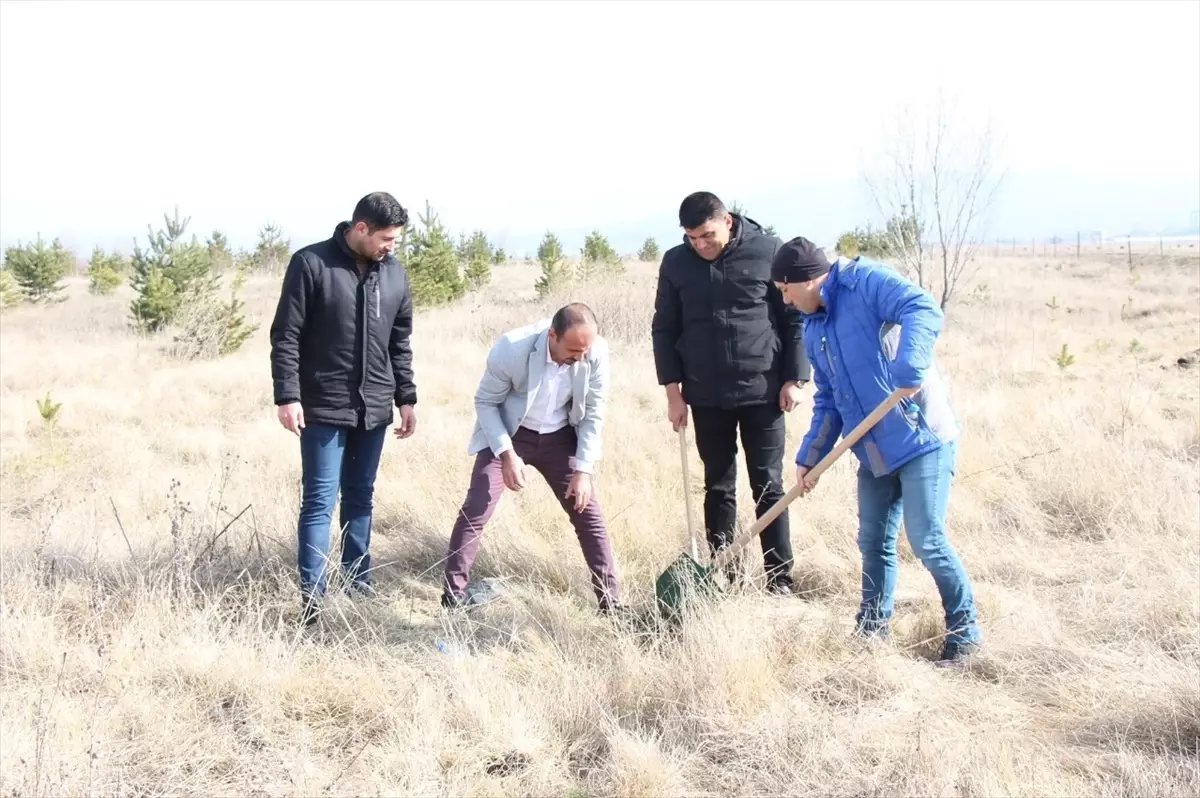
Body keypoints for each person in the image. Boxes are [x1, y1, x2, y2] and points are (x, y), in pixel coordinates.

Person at [771, 235, 982, 665]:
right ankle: (871, 631)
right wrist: (810, 456)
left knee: (926, 539)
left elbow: (922, 307)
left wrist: (911, 364)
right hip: (873, 450)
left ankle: (965, 635)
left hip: (920, 437)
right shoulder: (814, 328)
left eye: (785, 291)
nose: (786, 302)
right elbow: (829, 399)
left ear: (805, 281)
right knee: (873, 542)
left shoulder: (864, 281)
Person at [650, 191, 811, 594]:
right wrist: (673, 393)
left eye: (706, 235)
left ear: (727, 221)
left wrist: (794, 378)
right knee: (718, 487)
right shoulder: (675, 262)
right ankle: (723, 573)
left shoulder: (768, 251)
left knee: (768, 486)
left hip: (764, 393)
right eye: (691, 238)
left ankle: (779, 580)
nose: (700, 245)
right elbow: (664, 329)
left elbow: (792, 319)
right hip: (705, 396)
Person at [269, 191, 417, 625]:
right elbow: (286, 336)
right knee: (319, 501)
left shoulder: (395, 276)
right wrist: (287, 395)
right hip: (323, 406)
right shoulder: (311, 264)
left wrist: (405, 398)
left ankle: (359, 585)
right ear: (360, 228)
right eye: (386, 237)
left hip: (374, 408)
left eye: (396, 239)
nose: (391, 246)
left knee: (361, 496)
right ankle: (313, 602)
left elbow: (399, 343)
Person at [441, 303, 623, 613]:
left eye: (585, 351)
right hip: (511, 433)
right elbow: (485, 402)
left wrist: (583, 470)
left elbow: (593, 414)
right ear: (552, 335)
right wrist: (506, 454)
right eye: (573, 350)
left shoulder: (595, 352)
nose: (580, 358)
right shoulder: (512, 348)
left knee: (588, 514)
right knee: (477, 507)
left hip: (561, 436)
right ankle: (453, 599)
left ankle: (612, 605)